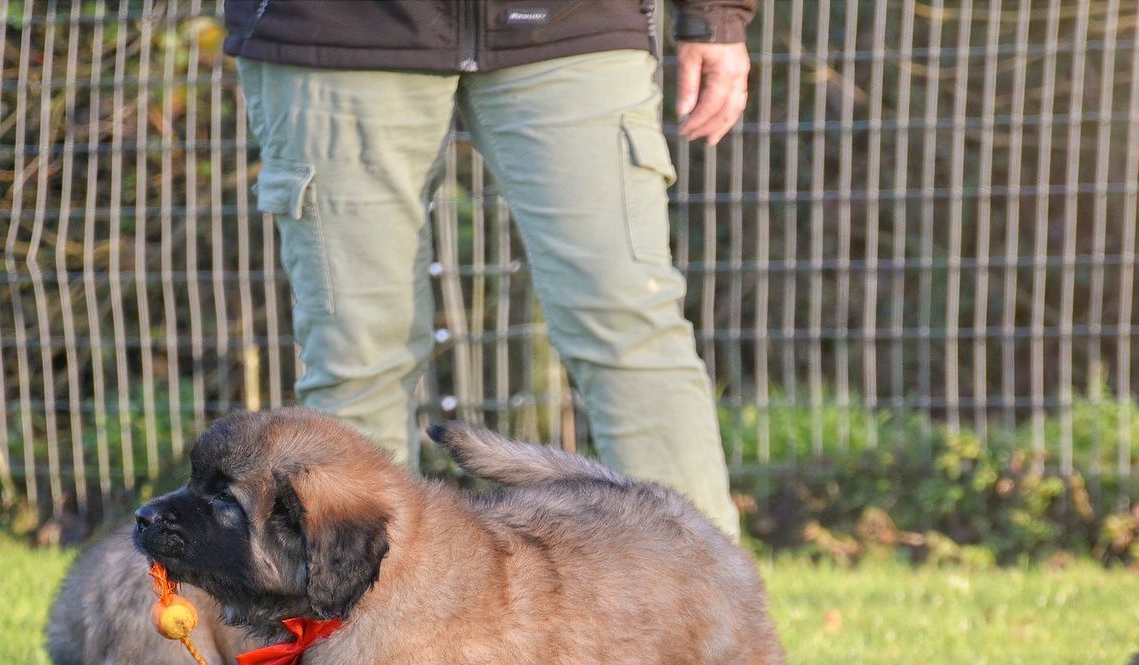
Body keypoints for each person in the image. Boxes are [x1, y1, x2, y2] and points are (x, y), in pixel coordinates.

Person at [222, 0, 753, 536]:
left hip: (578, 23)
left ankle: (710, 607)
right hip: (337, 27)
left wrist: (716, 15)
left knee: (631, 327)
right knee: (356, 354)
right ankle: (359, 611)